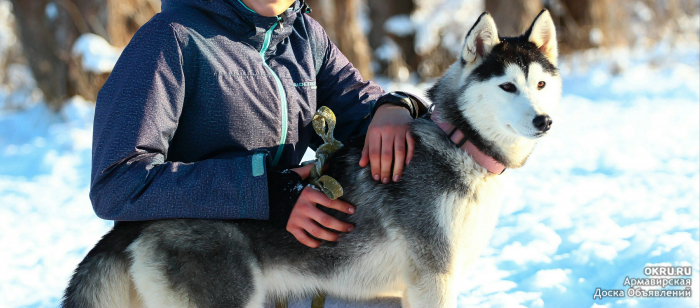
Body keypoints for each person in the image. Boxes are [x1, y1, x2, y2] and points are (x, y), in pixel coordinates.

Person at [91, 0, 425, 303]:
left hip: (285, 258)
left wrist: (397, 106)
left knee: (391, 299)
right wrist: (266, 191)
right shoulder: (169, 38)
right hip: (194, 259)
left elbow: (360, 114)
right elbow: (118, 181)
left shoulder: (304, 37)